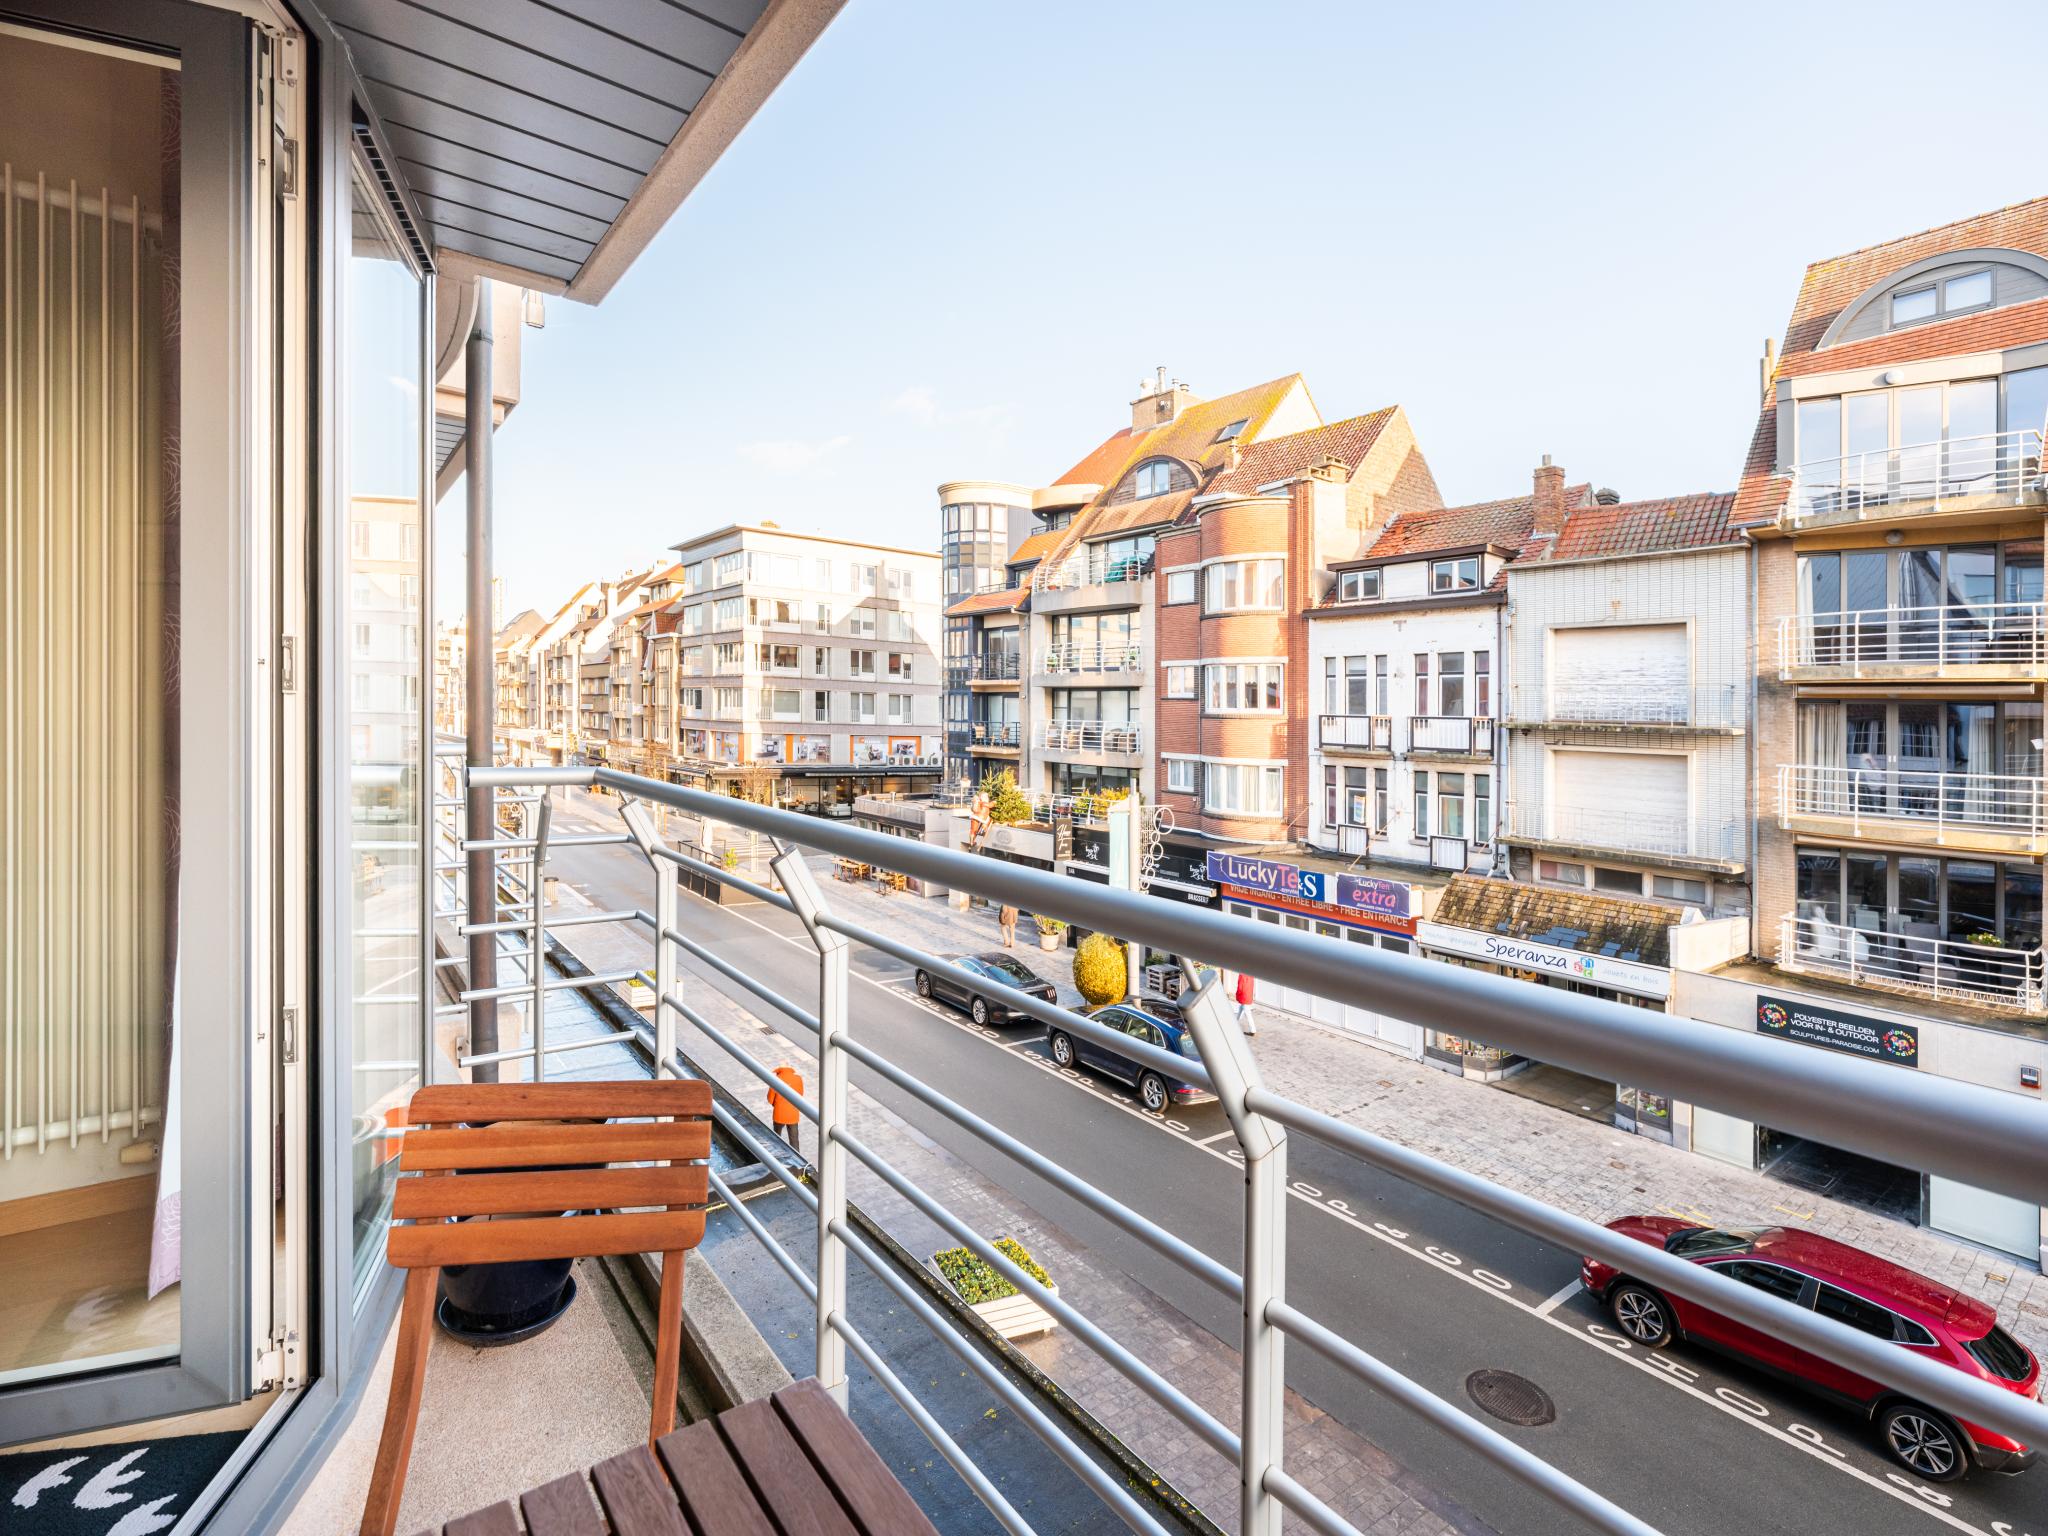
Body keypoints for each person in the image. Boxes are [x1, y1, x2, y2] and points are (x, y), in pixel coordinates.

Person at [769, 1065, 804, 1151]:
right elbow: (800, 1094)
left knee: (776, 1137)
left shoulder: (776, 1079)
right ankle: (798, 1161)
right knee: (794, 1140)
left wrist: (777, 1105)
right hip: (793, 1114)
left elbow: (770, 1099)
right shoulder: (798, 1078)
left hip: (779, 1114)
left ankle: (776, 1156)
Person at [1235, 970, 1258, 1036]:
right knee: (1241, 1008)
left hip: (1244, 996)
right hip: (1248, 995)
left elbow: (1240, 987)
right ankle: (1235, 1023)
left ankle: (1253, 1030)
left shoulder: (1242, 975)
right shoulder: (1251, 974)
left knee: (1248, 1013)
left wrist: (1237, 994)